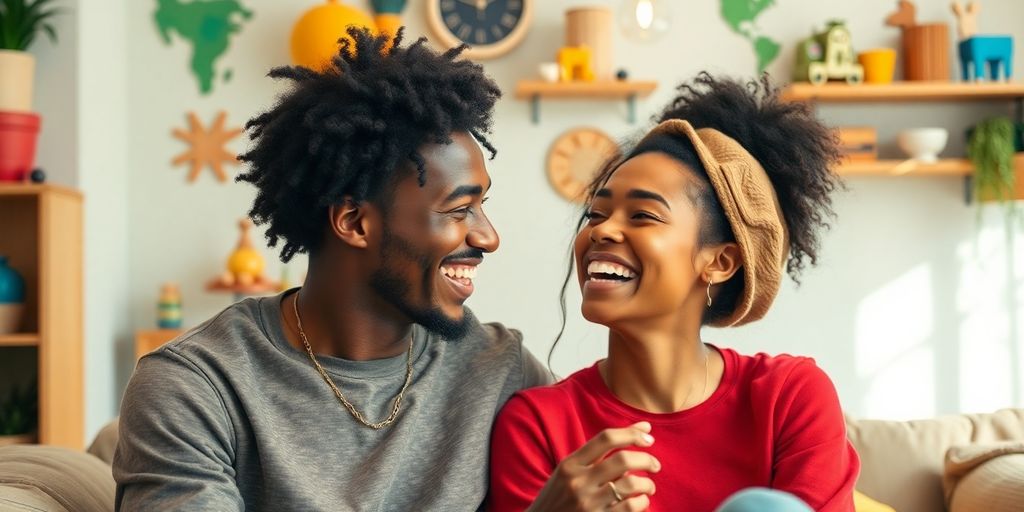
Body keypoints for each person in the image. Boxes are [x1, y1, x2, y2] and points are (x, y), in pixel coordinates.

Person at [114, 28, 553, 511]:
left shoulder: (499, 370)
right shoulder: (196, 386)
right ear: (354, 222)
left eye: (482, 206)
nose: (488, 237)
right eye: (458, 210)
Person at [489, 74, 859, 511]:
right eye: (596, 213)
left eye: (643, 215)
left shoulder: (788, 397)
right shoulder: (537, 424)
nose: (603, 229)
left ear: (720, 262)